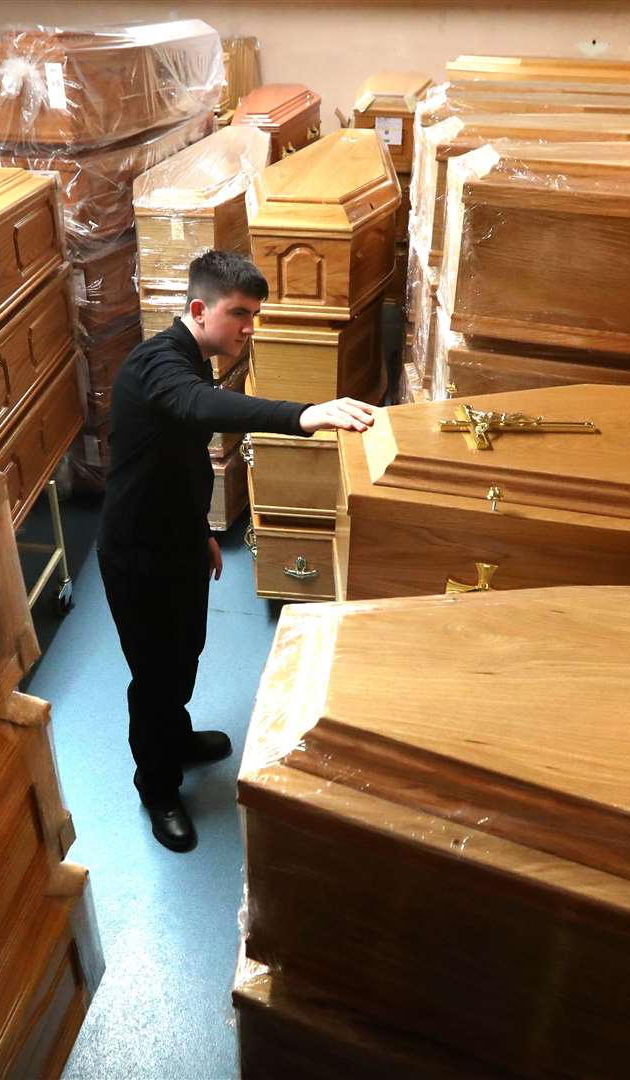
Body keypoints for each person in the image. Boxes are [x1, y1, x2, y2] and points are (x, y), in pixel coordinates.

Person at [98, 249, 376, 853]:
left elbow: (173, 460)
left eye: (255, 313)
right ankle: (158, 787)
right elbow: (201, 410)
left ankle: (175, 737)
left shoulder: (193, 361)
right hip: (137, 554)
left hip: (178, 543)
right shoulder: (159, 366)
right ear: (198, 309)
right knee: (154, 677)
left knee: (186, 653)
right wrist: (302, 414)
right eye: (240, 313)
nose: (249, 327)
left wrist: (200, 531)